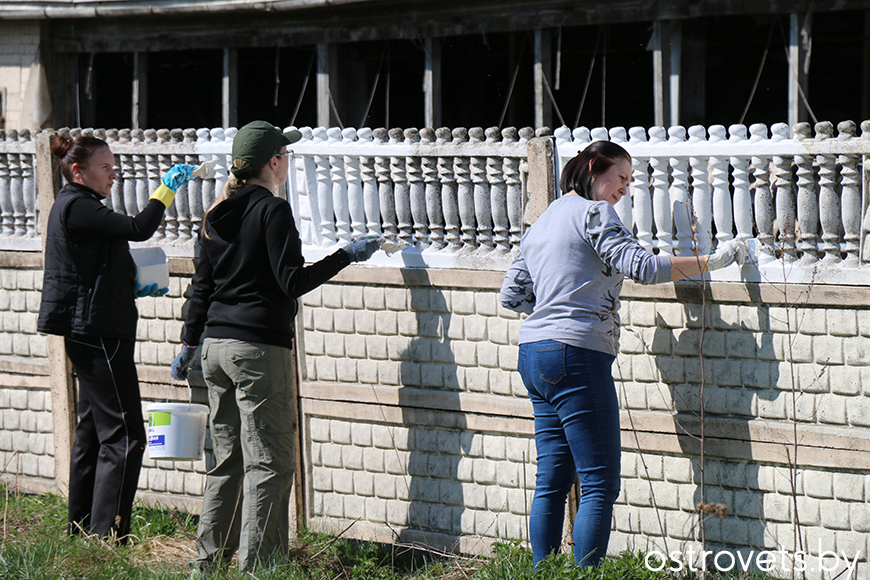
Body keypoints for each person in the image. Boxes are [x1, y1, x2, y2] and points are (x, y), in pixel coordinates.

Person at [499, 141, 746, 568]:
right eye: (621, 178)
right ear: (596, 168)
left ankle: (542, 573)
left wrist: (557, 301)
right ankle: (585, 576)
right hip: (576, 354)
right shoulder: (594, 214)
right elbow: (644, 268)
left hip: (533, 353)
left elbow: (511, 295)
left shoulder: (541, 223)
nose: (624, 190)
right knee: (598, 483)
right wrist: (713, 260)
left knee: (551, 480)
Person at [170, 121, 380, 573]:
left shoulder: (215, 213)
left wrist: (188, 343)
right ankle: (259, 567)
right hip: (257, 351)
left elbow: (200, 288)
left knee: (225, 462)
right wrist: (347, 254)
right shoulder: (273, 211)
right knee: (270, 462)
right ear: (274, 162)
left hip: (214, 350)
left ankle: (206, 565)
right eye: (285, 156)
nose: (287, 163)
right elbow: (292, 281)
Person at [38, 133, 194, 541]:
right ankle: (107, 535)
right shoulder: (78, 205)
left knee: (93, 431)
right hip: (99, 333)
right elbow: (138, 228)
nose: (114, 174)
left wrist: (134, 280)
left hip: (97, 328)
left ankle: (82, 528)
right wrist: (165, 190)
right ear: (78, 171)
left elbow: (101, 262)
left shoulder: (80, 208)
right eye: (106, 167)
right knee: (127, 435)